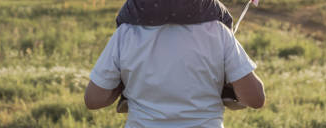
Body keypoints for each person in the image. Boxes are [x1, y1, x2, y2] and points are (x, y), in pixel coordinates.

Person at [84, 20, 265, 127]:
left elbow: (93, 99)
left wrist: (121, 85)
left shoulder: (127, 32)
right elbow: (256, 98)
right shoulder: (217, 30)